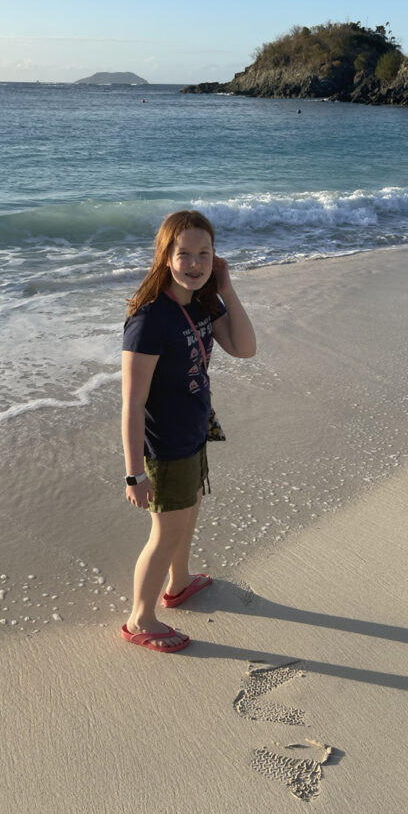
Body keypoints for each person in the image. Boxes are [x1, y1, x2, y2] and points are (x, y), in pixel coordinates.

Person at [121, 209, 256, 652]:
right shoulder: (149, 320)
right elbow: (133, 403)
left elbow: (244, 348)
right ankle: (140, 619)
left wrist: (228, 291)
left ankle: (178, 583)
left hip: (195, 431)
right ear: (166, 256)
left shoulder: (202, 303)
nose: (194, 264)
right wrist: (134, 473)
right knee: (165, 533)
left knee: (189, 513)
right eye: (184, 254)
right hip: (165, 447)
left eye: (204, 253)